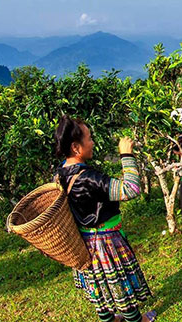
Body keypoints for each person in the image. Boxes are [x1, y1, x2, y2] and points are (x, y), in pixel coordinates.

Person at [53, 116, 155, 322]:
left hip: (83, 241)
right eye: (89, 138)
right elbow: (131, 189)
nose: (92, 142)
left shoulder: (60, 173)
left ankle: (110, 320)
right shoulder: (89, 178)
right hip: (105, 242)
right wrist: (126, 155)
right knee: (121, 288)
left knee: (98, 287)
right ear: (75, 147)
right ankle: (138, 321)